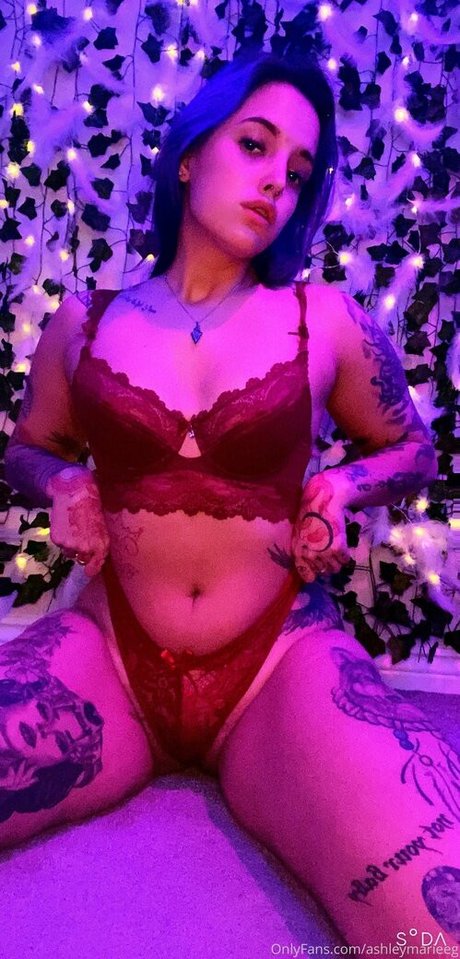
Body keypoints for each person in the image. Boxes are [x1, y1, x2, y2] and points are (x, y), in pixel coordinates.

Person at [3, 51, 459, 951]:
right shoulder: (85, 321)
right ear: (188, 154)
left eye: (299, 171)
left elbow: (413, 447)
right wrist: (62, 483)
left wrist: (341, 484)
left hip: (277, 664)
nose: (277, 181)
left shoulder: (325, 319)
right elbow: (28, 447)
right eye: (255, 145)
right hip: (110, 656)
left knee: (436, 912)